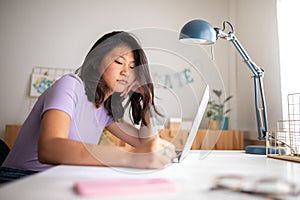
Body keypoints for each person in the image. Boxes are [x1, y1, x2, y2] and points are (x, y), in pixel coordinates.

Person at [0, 31, 176, 184]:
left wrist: (146, 102)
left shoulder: (105, 111)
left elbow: (146, 143)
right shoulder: (70, 85)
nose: (126, 72)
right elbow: (50, 148)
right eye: (118, 62)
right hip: (20, 178)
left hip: (59, 179)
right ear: (96, 61)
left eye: (132, 67)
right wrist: (131, 157)